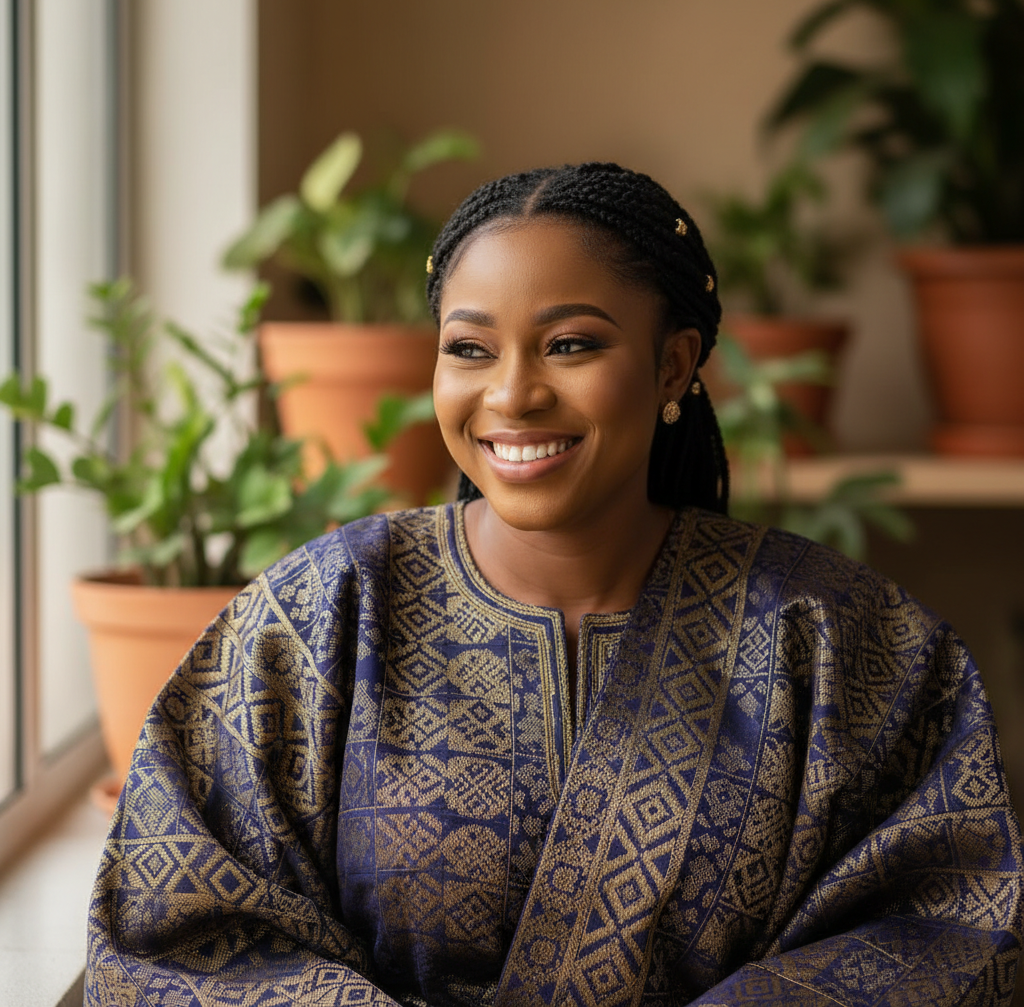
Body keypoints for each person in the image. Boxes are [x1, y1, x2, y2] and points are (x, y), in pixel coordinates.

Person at [86, 163, 1023, 1006]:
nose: (513, 394)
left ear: (674, 365)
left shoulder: (845, 641)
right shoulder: (321, 617)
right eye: (470, 348)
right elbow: (179, 930)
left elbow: (949, 929)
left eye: (570, 345)